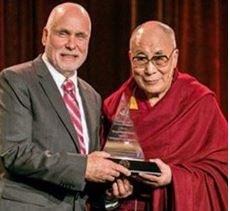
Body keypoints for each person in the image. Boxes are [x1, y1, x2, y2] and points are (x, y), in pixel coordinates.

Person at [0, 2, 133, 211]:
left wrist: (108, 192)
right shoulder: (16, 80)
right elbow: (15, 152)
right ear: (45, 36)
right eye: (63, 33)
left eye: (80, 36)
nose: (72, 45)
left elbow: (89, 170)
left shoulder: (92, 97)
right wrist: (84, 168)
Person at [102, 21, 227, 211]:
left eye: (159, 58)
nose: (150, 70)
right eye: (141, 58)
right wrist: (111, 194)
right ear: (130, 58)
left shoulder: (199, 102)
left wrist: (173, 176)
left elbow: (223, 170)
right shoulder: (114, 106)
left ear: (175, 57)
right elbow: (98, 178)